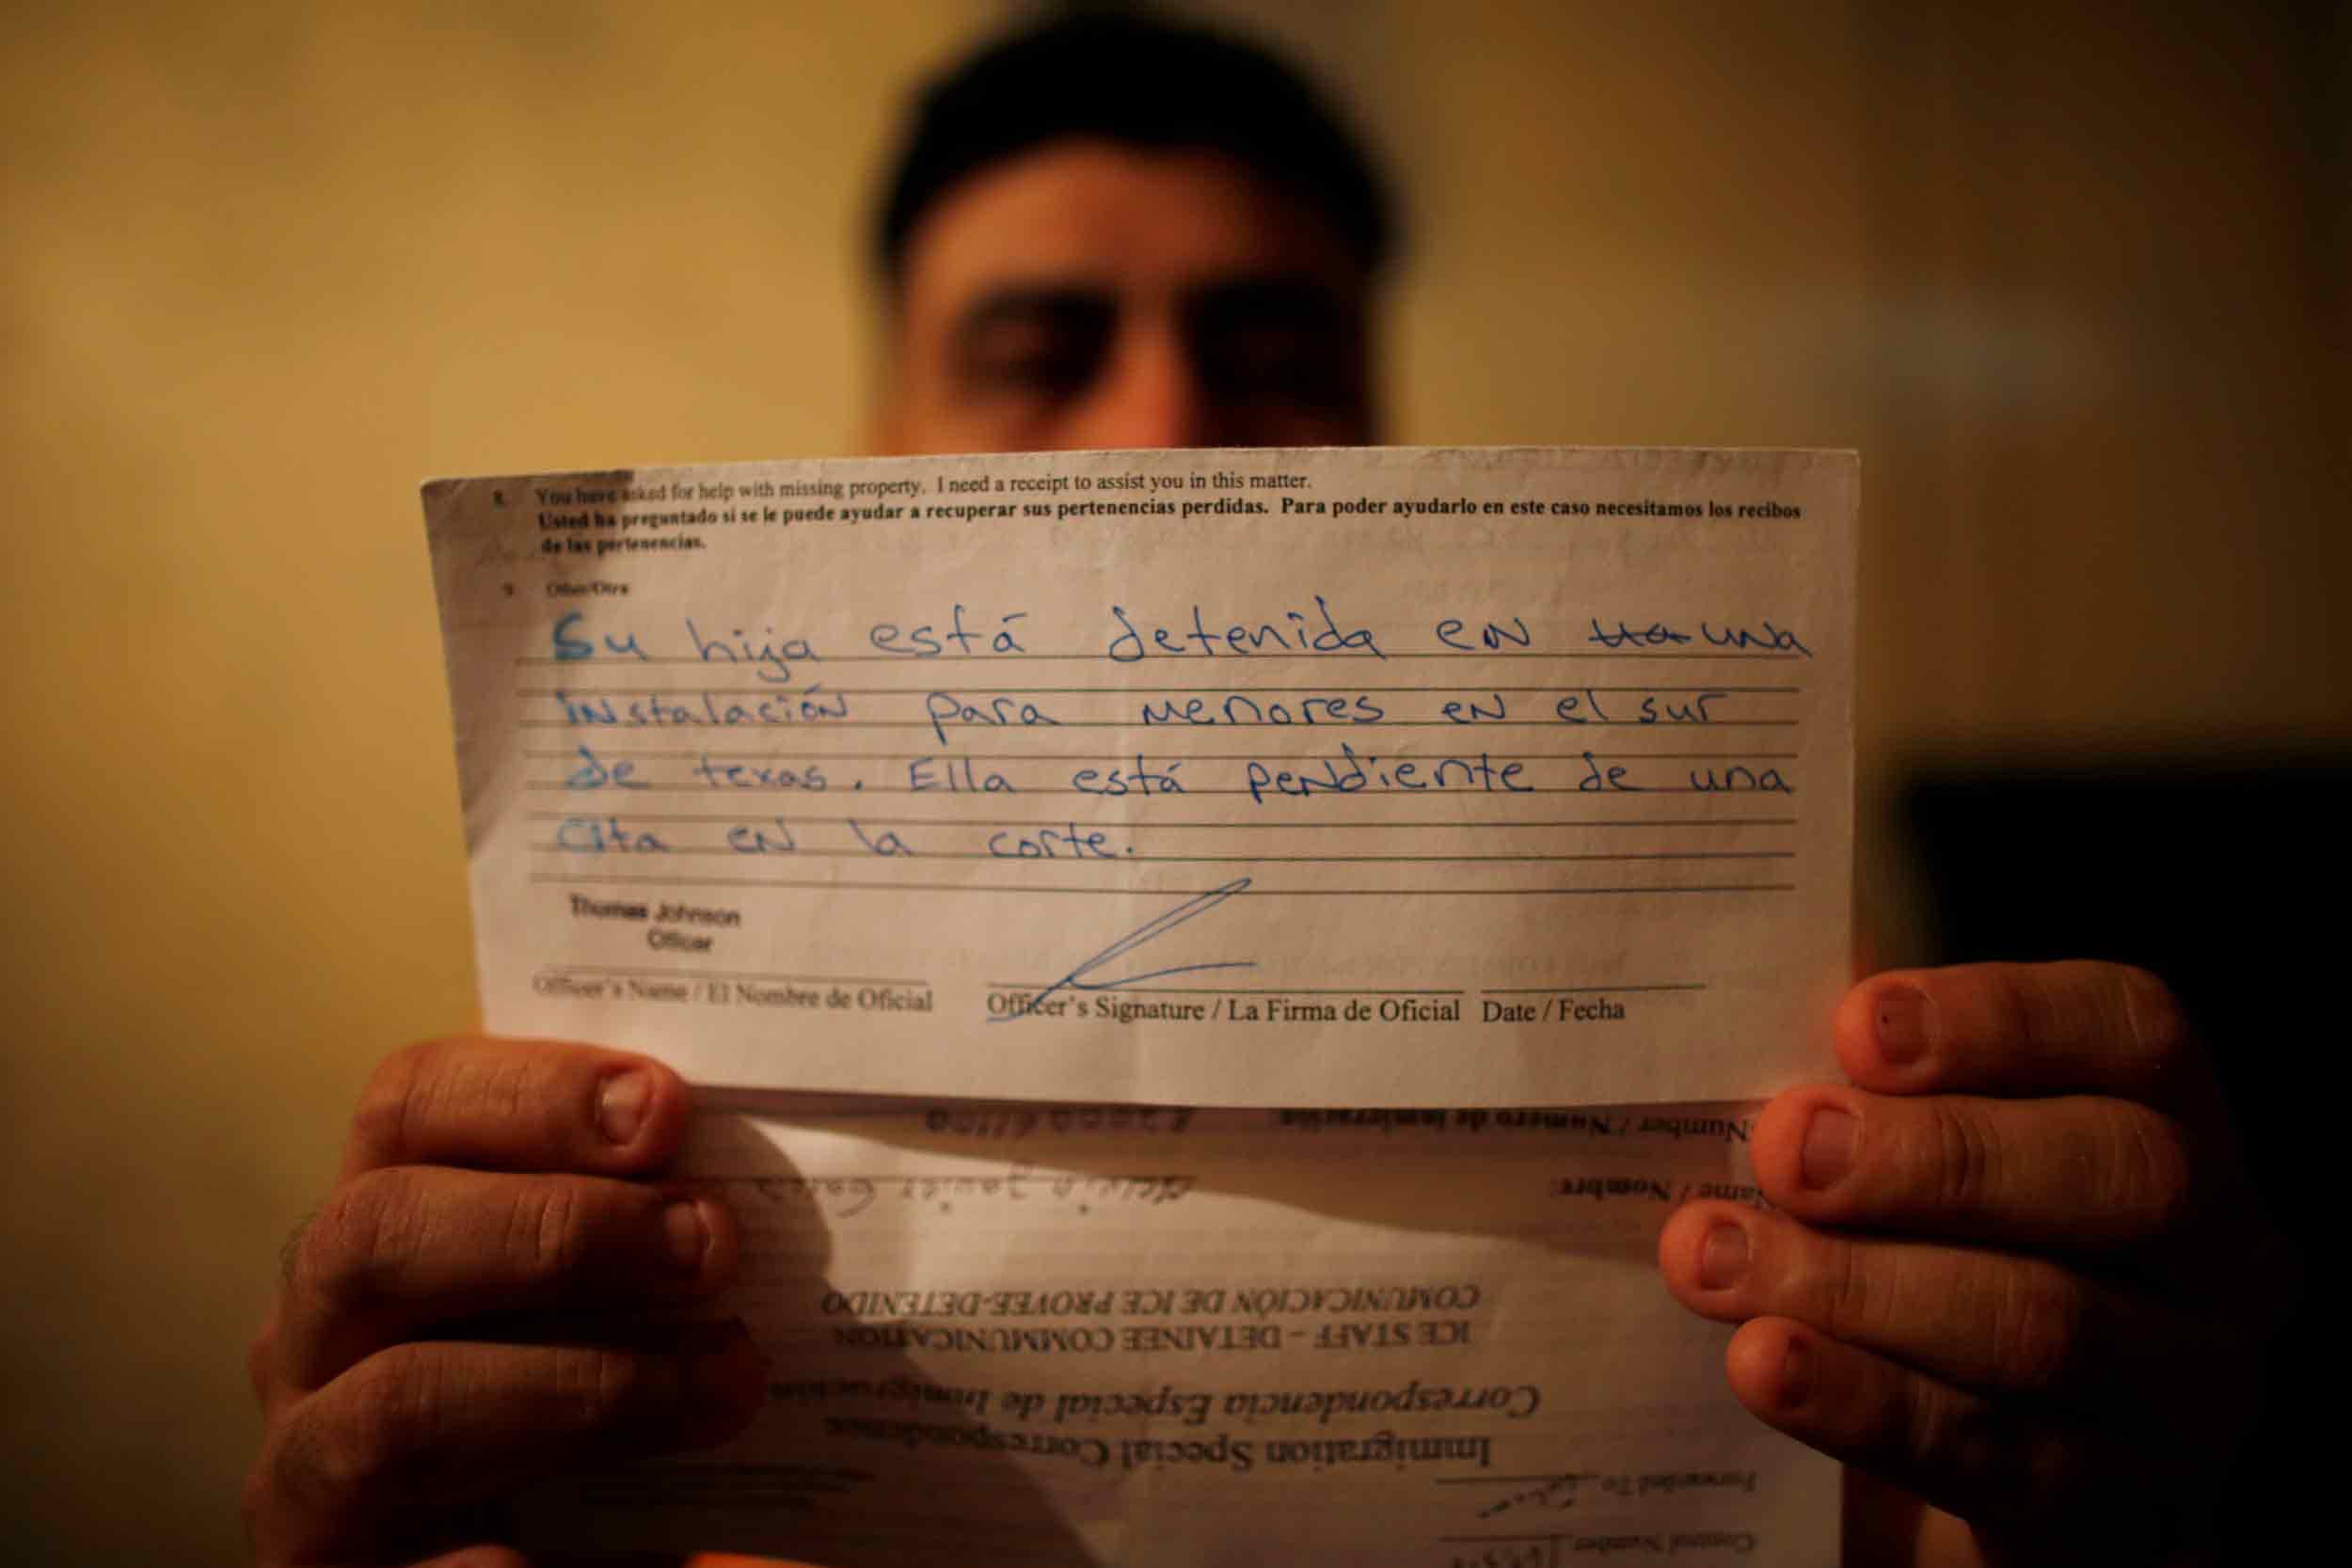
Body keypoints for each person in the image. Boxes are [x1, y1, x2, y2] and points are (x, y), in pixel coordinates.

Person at [243, 12, 2292, 1567]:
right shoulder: (621, 1077)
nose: (1161, 431)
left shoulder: (1796, 1022)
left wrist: (2145, 1491)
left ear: (1387, 427)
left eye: (1270, 351)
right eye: (1037, 353)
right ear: (868, 449)